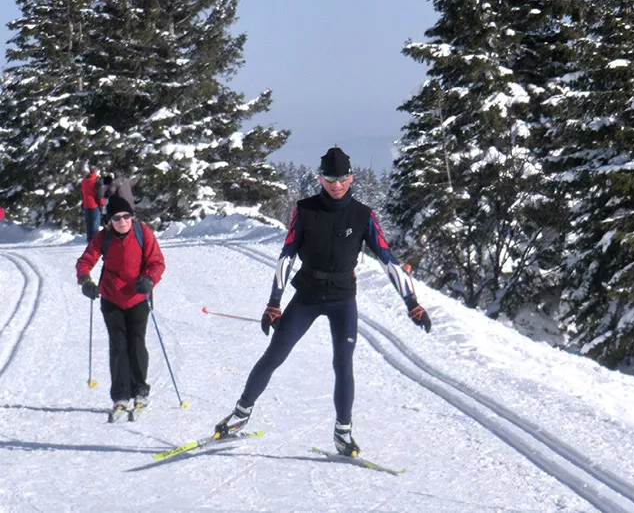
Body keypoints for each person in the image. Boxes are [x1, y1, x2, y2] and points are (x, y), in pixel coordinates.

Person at [214, 146, 432, 456]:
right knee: (275, 354)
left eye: (342, 178)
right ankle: (239, 415)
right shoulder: (305, 210)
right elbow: (287, 255)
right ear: (320, 178)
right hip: (307, 296)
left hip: (343, 299)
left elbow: (388, 259)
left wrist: (412, 302)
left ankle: (343, 432)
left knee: (343, 365)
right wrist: (274, 302)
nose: (336, 184)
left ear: (351, 177)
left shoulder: (362, 215)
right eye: (330, 178)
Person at [76, 194, 166, 420]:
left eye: (126, 216)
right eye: (117, 217)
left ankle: (140, 390)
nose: (123, 221)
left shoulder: (142, 232)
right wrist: (86, 281)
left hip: (138, 297)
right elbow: (85, 261)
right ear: (109, 221)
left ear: (132, 217)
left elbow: (157, 262)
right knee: (118, 345)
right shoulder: (103, 237)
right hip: (111, 298)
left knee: (136, 343)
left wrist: (149, 279)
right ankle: (120, 395)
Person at [80, 166, 104, 243]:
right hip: (94, 204)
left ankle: (89, 238)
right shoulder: (96, 180)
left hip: (86, 203)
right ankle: (94, 240)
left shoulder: (84, 180)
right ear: (96, 171)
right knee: (95, 222)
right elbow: (99, 194)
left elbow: (83, 191)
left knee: (88, 222)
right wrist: (101, 203)